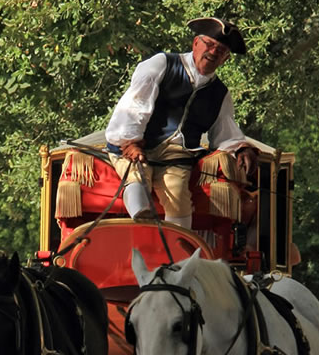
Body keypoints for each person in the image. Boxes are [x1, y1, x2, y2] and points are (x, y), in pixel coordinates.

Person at [105, 16, 259, 228]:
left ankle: (178, 255)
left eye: (221, 51)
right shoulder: (162, 64)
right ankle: (141, 219)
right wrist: (130, 141)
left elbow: (225, 132)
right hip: (137, 145)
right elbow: (135, 104)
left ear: (225, 60)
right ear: (196, 43)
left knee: (178, 194)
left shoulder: (220, 94)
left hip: (176, 156)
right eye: (210, 45)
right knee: (137, 174)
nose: (213, 52)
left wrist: (241, 149)